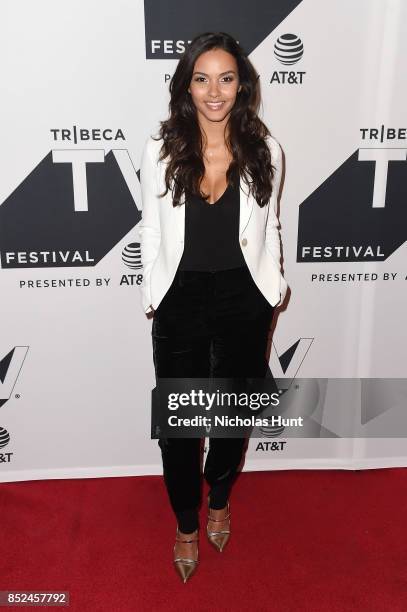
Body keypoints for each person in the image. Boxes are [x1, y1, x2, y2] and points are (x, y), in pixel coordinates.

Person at [138, 31, 288, 583]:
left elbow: (270, 227)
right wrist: (154, 294)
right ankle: (185, 523)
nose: (214, 91)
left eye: (226, 78)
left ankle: (219, 495)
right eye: (202, 78)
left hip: (244, 300)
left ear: (242, 84)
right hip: (179, 302)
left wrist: (272, 291)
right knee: (179, 430)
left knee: (230, 419)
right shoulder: (161, 150)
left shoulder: (265, 150)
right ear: (186, 86)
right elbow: (151, 230)